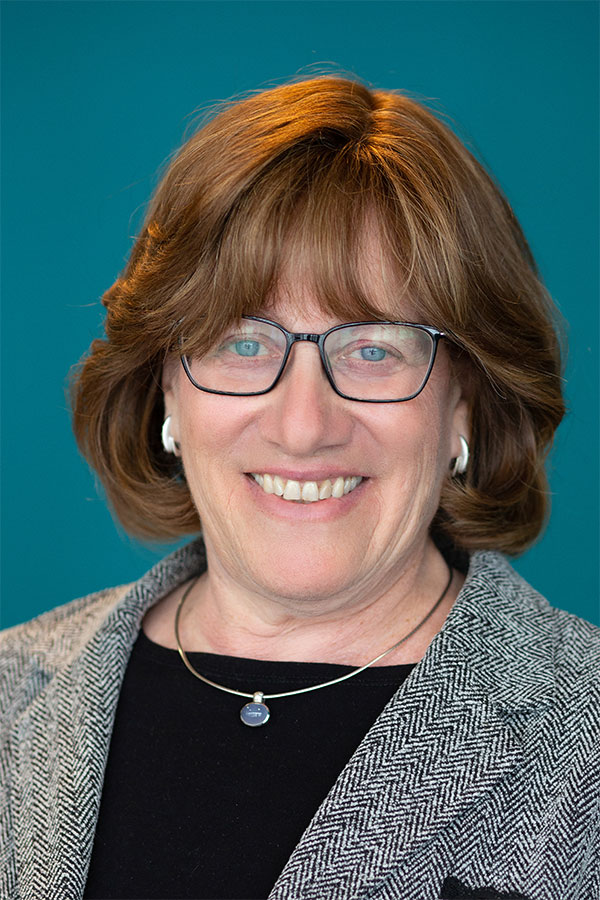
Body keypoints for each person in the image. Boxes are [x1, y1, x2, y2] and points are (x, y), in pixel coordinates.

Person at [1, 76, 598, 900]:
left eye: (375, 349)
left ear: (465, 395)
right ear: (166, 388)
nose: (304, 425)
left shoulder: (582, 732)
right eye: (242, 344)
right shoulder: (11, 690)